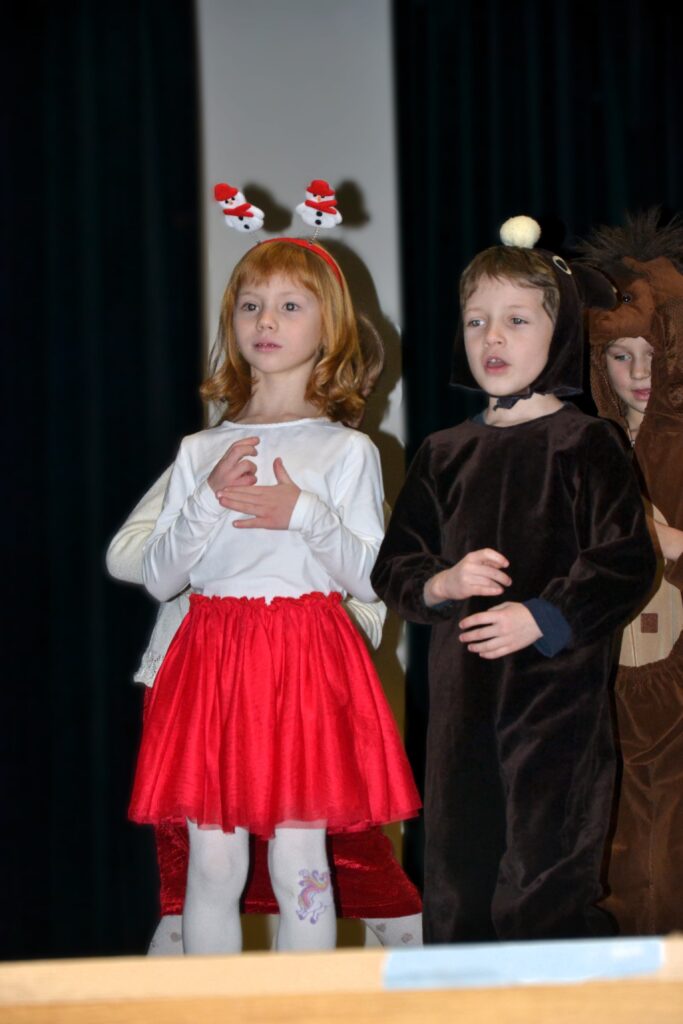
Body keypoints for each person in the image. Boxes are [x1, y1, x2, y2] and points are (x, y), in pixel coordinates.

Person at [127, 236, 420, 954]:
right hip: (211, 658)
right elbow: (161, 577)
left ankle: (302, 1004)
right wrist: (205, 500)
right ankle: (219, 1004)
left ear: (330, 328)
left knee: (300, 865)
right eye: (251, 305)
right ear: (230, 322)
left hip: (304, 659)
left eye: (291, 306)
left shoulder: (347, 450)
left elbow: (370, 578)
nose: (266, 320)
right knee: (212, 866)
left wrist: (305, 514)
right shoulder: (201, 451)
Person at [371, 217, 656, 943]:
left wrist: (543, 616)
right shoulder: (443, 452)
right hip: (459, 712)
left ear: (560, 334)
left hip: (556, 706)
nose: (491, 337)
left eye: (516, 320)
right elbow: (394, 565)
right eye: (476, 321)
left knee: (546, 879)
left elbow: (624, 561)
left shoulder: (586, 442)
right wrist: (440, 583)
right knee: (457, 878)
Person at [107, 467, 422, 952]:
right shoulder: (211, 459)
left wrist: (305, 638)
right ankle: (192, 992)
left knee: (340, 864)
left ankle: (447, 982)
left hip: (304, 702)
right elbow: (128, 555)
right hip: (203, 696)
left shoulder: (345, 462)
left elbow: (375, 594)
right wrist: (211, 531)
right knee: (201, 871)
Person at [582, 211, 683, 934]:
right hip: (609, 673)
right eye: (620, 357)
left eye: (652, 354)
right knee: (615, 838)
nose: (639, 375)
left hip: (673, 671)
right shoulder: (588, 447)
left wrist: (669, 544)